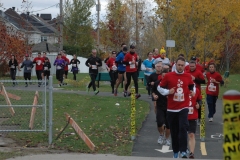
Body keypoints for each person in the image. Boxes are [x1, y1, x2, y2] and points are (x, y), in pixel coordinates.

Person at [157, 57, 194, 158]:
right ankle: (176, 151)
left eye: (182, 65)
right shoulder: (169, 76)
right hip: (172, 108)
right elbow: (159, 87)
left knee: (183, 127)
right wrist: (168, 92)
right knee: (174, 131)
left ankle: (183, 150)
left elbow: (192, 85)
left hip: (183, 107)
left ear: (184, 66)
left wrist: (192, 91)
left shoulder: (187, 76)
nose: (180, 67)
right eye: (179, 65)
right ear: (175, 65)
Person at [152, 65, 171, 146]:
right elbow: (153, 91)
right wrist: (154, 96)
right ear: (161, 76)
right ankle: (161, 135)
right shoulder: (157, 83)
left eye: (166, 76)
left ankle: (167, 138)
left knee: (168, 125)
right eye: (163, 76)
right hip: (160, 105)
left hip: (169, 107)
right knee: (159, 122)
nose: (164, 78)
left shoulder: (170, 84)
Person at [185, 60, 205, 125]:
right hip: (189, 91)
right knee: (189, 104)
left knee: (198, 104)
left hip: (197, 91)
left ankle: (199, 118)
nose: (191, 67)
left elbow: (203, 81)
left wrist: (195, 79)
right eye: (190, 66)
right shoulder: (186, 72)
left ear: (195, 66)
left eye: (193, 66)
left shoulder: (198, 72)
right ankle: (189, 118)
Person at [187, 86, 202, 159]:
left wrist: (198, 105)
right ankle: (183, 149)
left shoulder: (196, 90)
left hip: (192, 116)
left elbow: (199, 99)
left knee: (191, 134)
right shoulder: (181, 88)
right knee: (181, 134)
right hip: (182, 115)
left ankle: (191, 153)